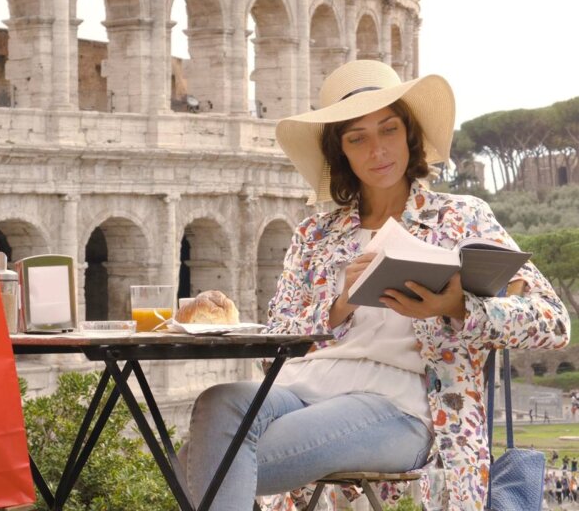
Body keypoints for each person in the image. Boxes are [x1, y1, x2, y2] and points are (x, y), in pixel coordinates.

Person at [181, 60, 571, 510]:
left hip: (401, 404)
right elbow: (275, 344)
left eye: (388, 130)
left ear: (409, 134)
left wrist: (458, 308)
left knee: (199, 461)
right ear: (339, 151)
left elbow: (553, 321)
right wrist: (338, 304)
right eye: (357, 138)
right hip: (299, 388)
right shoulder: (315, 235)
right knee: (217, 402)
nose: (377, 150)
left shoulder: (462, 218)